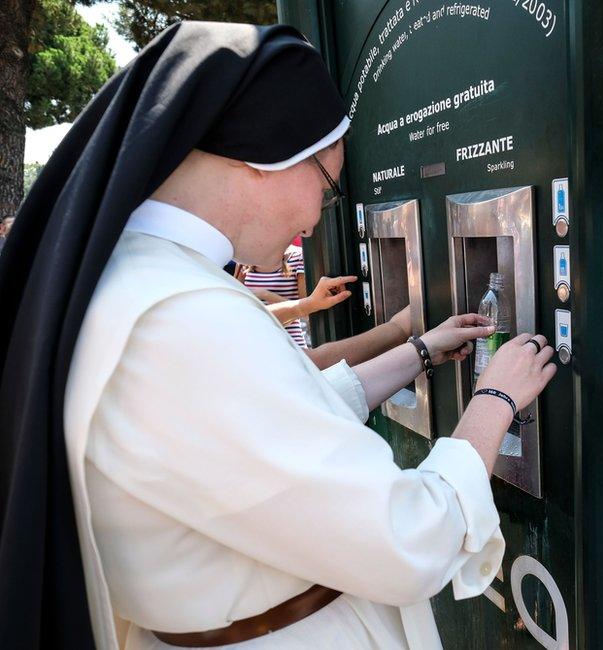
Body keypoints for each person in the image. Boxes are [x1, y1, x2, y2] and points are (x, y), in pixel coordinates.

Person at [0, 21, 556, 650]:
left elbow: (277, 425)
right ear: (266, 156)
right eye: (327, 182)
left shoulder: (141, 281)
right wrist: (494, 402)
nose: (316, 214)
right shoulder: (180, 317)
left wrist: (420, 352)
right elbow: (402, 538)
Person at [235, 243, 355, 347]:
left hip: (289, 341)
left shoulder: (297, 257)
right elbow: (235, 302)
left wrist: (266, 295)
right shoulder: (246, 260)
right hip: (253, 339)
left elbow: (307, 311)